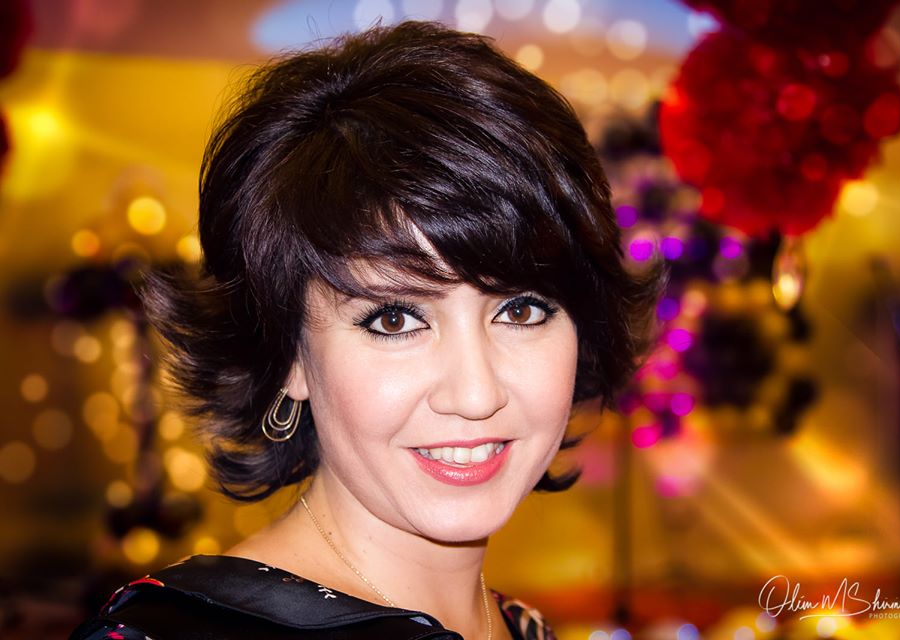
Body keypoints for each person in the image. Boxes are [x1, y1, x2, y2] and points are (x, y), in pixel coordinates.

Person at [70, 19, 665, 640]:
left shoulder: (523, 628)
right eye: (395, 319)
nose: (475, 394)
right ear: (289, 352)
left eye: (520, 311)